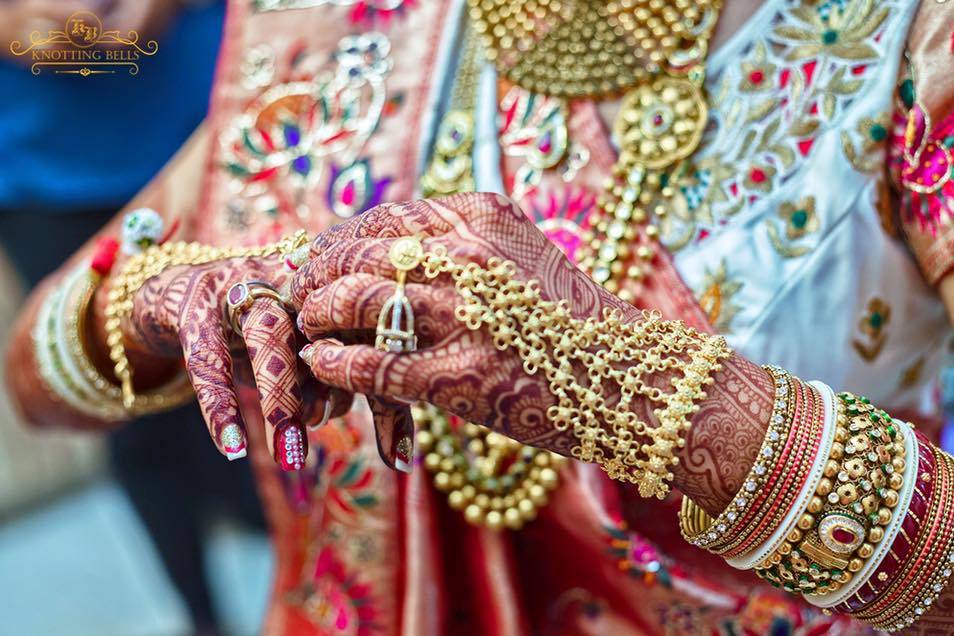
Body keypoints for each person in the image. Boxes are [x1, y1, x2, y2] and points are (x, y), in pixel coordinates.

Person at [6, 0, 954, 633]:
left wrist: (637, 389)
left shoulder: (910, 42)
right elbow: (35, 375)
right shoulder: (342, 21)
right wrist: (161, 305)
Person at [0, 3, 256, 635]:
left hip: (199, 126)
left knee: (251, 368)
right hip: (45, 171)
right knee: (125, 404)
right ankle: (205, 616)